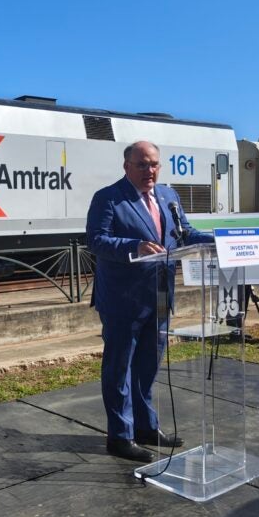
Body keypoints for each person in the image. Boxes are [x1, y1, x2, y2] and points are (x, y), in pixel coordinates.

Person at [86, 140, 214, 463]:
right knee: (119, 368)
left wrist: (219, 240)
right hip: (122, 300)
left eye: (154, 164)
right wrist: (135, 246)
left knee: (147, 366)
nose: (149, 170)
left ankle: (145, 427)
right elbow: (97, 241)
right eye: (142, 164)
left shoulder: (169, 196)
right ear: (126, 166)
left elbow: (185, 234)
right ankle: (120, 436)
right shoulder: (108, 198)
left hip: (159, 296)